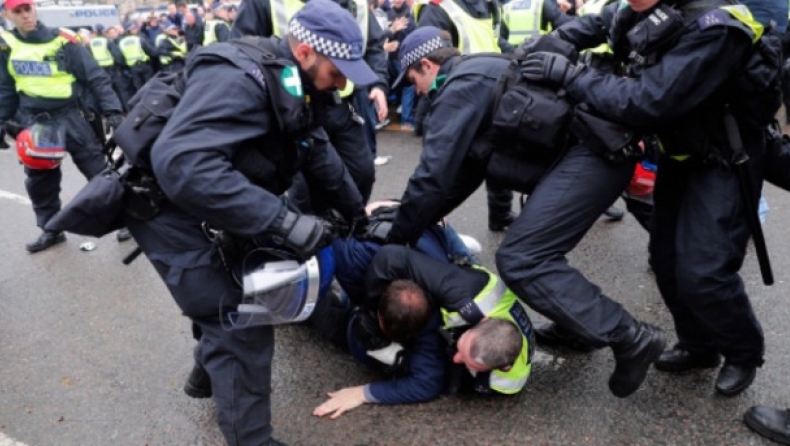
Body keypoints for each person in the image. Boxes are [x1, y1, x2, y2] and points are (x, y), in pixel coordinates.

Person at [122, 1, 374, 443]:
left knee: (254, 287)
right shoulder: (240, 79)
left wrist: (354, 212)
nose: (345, 81)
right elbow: (181, 164)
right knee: (241, 319)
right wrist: (284, 220)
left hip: (211, 197)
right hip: (166, 206)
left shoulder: (298, 84)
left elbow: (316, 150)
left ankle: (208, 377)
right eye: (339, 69)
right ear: (305, 52)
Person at [372, 26, 666, 398]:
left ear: (427, 65)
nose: (415, 91)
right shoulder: (482, 68)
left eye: (412, 79)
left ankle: (630, 336)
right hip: (592, 153)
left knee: (522, 258)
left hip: (594, 156)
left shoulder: (457, 89)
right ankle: (576, 326)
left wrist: (396, 240)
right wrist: (422, 219)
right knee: (535, 248)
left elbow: (431, 177)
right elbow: (463, 173)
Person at [534, 0, 772, 395]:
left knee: (704, 271)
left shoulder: (714, 24)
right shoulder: (637, 9)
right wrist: (548, 45)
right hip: (680, 154)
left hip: (725, 158)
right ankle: (700, 346)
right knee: (665, 261)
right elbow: (596, 24)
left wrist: (570, 76)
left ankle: (744, 352)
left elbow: (647, 99)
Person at [312, 210, 532, 418]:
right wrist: (375, 308)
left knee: (357, 334)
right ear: (483, 321)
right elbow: (392, 260)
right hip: (460, 275)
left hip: (445, 314)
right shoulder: (467, 294)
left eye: (467, 360)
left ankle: (311, 301)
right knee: (426, 251)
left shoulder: (505, 381)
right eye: (462, 347)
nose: (457, 356)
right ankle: (445, 236)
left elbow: (427, 384)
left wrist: (362, 393)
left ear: (503, 366)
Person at [231, 0, 390, 205]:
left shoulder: (358, 4)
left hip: (342, 105)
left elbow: (373, 45)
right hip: (291, 106)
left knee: (361, 173)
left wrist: (377, 83)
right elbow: (243, 49)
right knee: (303, 185)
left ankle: (347, 226)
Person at [0, 0, 124, 252]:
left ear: (35, 9)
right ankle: (51, 229)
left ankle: (128, 220)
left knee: (99, 174)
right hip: (38, 123)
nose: (25, 15)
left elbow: (96, 78)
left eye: (28, 9)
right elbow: (6, 89)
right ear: (7, 15)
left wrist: (113, 111)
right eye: (18, 11)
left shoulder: (64, 40)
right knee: (40, 181)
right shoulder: (6, 46)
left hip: (71, 117)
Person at [118, 23, 158, 99]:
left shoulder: (121, 43)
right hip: (144, 65)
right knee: (150, 84)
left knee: (139, 87)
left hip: (133, 67)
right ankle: (153, 100)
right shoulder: (138, 39)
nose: (136, 30)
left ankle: (142, 103)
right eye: (134, 29)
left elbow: (120, 58)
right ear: (129, 31)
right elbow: (151, 51)